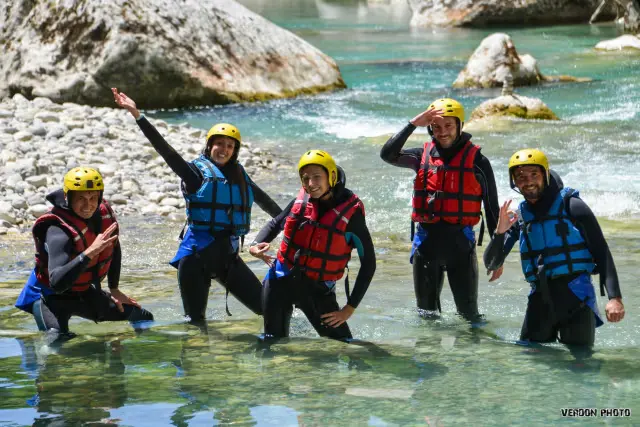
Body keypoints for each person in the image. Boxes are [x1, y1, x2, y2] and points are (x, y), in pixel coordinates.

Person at [112, 88, 282, 321]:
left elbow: (271, 207)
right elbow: (167, 152)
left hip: (228, 259)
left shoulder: (241, 178)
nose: (224, 149)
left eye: (229, 146)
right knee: (195, 323)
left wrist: (300, 222)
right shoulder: (195, 174)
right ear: (209, 146)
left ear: (235, 151)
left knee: (267, 307)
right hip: (195, 260)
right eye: (219, 144)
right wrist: (138, 115)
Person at [483, 149, 625, 348]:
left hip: (577, 298)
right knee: (530, 359)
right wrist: (499, 234)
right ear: (514, 182)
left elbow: (602, 252)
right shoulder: (519, 217)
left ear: (545, 175)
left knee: (581, 364)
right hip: (539, 299)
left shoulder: (572, 205)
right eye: (520, 177)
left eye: (534, 174)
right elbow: (491, 263)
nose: (528, 181)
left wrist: (614, 298)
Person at [380, 98, 501, 321]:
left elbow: (492, 210)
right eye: (436, 126)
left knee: (469, 316)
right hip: (426, 247)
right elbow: (388, 155)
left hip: (461, 247)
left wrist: (498, 257)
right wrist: (412, 124)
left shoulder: (478, 162)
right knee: (426, 317)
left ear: (459, 125)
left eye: (448, 126)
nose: (442, 132)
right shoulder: (420, 156)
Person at [249, 150, 376, 341]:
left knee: (346, 346)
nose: (311, 184)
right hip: (279, 283)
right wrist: (255, 245)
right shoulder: (300, 202)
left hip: (316, 291)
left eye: (317, 177)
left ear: (331, 177)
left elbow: (369, 263)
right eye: (305, 178)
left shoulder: (352, 215)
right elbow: (275, 223)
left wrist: (349, 309)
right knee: (271, 343)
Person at [15, 167, 153, 334]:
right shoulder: (57, 229)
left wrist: (114, 288)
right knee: (57, 341)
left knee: (142, 316)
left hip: (83, 291)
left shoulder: (101, 216)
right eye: (81, 198)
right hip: (49, 297)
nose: (88, 205)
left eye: (93, 198)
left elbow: (113, 247)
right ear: (67, 197)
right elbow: (57, 283)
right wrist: (89, 253)